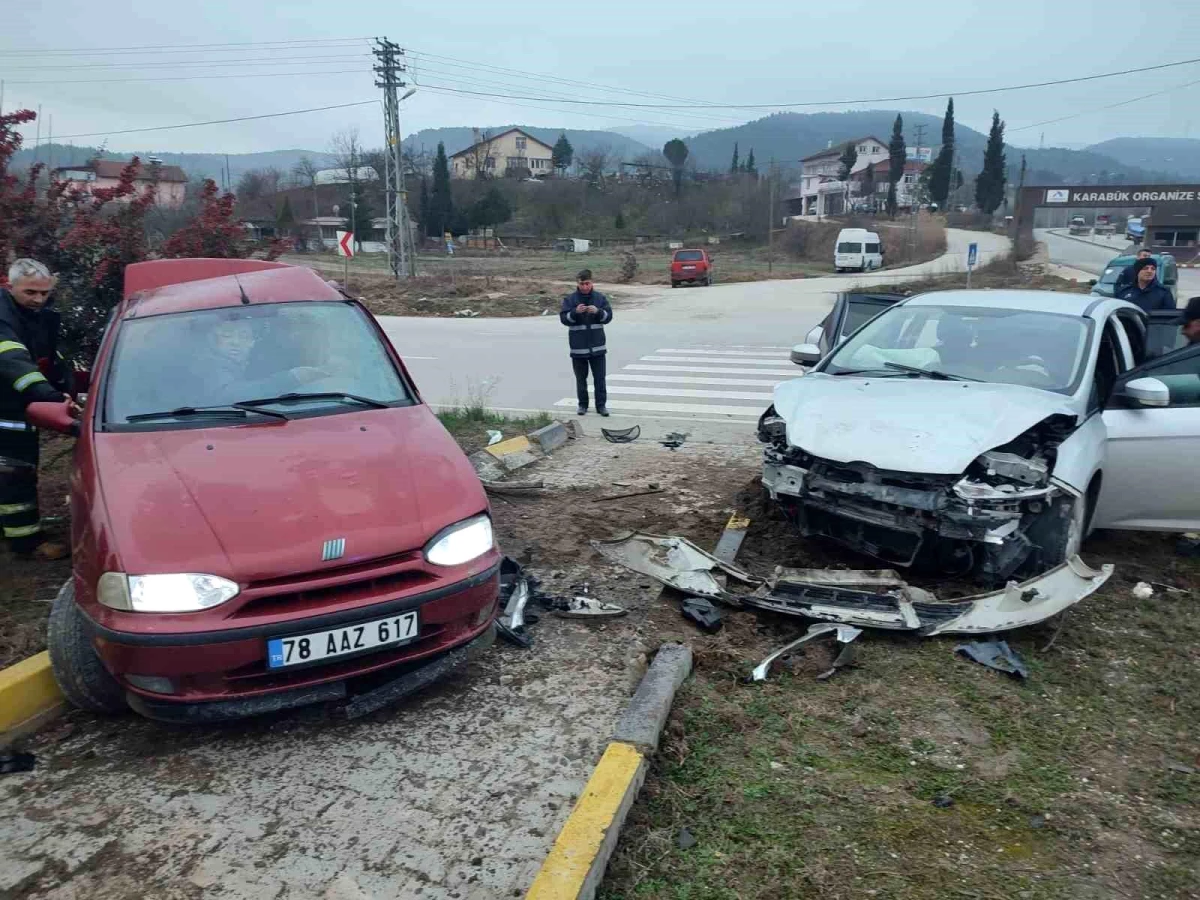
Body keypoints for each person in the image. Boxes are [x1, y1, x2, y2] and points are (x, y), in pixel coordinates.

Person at [0, 259, 76, 560]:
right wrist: (51, 397)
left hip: (15, 405)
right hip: (7, 407)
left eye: (44, 293)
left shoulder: (33, 314)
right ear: (10, 285)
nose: (39, 299)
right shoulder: (2, 317)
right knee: (15, 472)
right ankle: (27, 544)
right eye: (31, 292)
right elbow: (14, 362)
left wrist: (66, 378)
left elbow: (43, 353)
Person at [559, 269, 613, 416]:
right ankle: (582, 405)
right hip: (578, 349)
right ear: (578, 283)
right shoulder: (570, 300)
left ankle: (601, 406)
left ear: (592, 282)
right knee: (581, 380)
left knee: (600, 379)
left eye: (587, 283)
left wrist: (598, 312)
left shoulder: (600, 298)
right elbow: (564, 319)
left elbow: (608, 317)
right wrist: (575, 312)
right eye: (582, 284)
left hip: (598, 348)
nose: (584, 287)